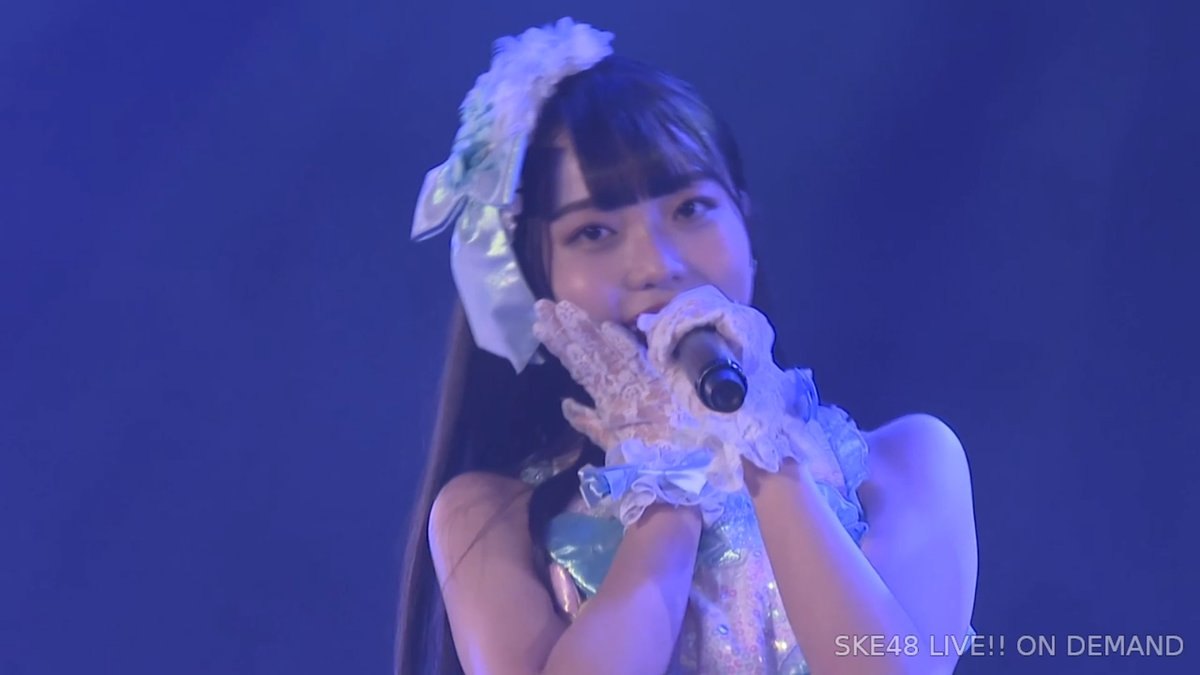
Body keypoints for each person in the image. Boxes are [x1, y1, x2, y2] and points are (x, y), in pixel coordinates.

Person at [396, 18, 977, 675]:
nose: (657, 264)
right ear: (536, 278)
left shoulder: (907, 460)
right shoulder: (488, 514)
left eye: (690, 209)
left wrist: (758, 445)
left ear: (745, 225)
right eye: (594, 232)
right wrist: (663, 475)